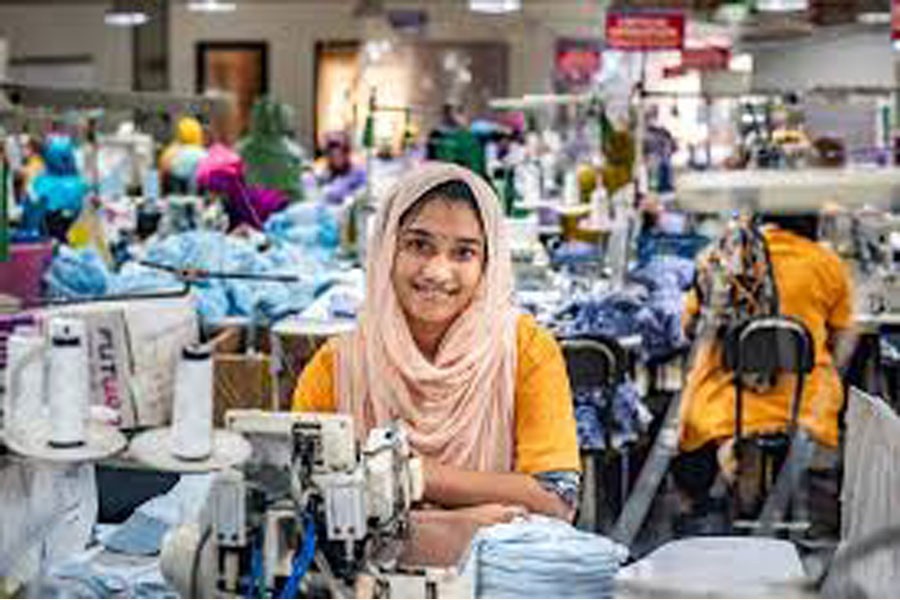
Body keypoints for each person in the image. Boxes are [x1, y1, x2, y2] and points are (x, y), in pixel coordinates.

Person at [292, 162, 580, 561]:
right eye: (418, 245)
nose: (438, 272)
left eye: (464, 252)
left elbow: (556, 499)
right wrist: (456, 528)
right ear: (386, 249)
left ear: (489, 263)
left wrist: (411, 475)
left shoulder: (525, 351)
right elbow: (304, 513)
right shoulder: (337, 369)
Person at [675, 212, 856, 519]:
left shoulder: (723, 257)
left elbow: (689, 328)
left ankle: (719, 493)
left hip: (726, 402)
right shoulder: (825, 262)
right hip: (803, 401)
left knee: (693, 427)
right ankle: (770, 489)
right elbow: (844, 335)